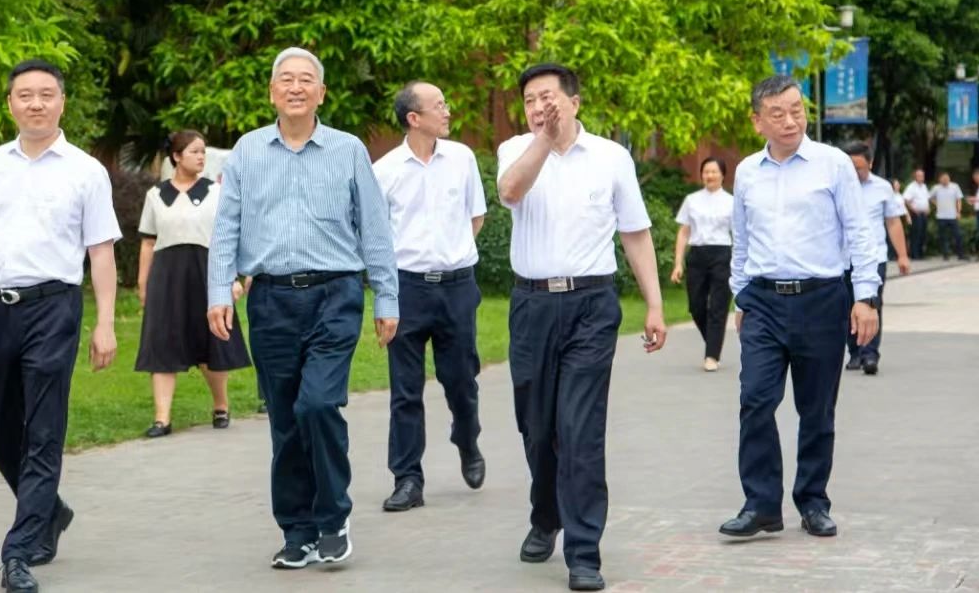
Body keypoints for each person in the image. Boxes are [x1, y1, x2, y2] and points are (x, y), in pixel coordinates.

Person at [0, 59, 121, 593]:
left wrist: (105, 322)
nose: (36, 103)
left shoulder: (86, 171)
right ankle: (49, 510)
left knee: (44, 430)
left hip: (54, 309)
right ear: (10, 104)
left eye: (46, 94)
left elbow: (101, 252)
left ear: (62, 102)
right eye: (25, 94)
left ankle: (19, 552)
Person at [205, 46, 399, 570]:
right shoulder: (247, 151)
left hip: (335, 295)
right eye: (286, 79)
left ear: (321, 92)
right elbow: (227, 226)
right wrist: (219, 290)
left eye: (306, 79)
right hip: (270, 300)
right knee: (285, 419)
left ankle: (333, 518)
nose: (296, 87)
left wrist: (386, 296)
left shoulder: (348, 150)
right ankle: (297, 530)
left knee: (317, 405)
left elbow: (374, 227)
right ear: (272, 92)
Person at [496, 63, 667, 593]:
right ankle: (545, 514)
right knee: (536, 427)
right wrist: (543, 141)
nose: (538, 107)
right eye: (529, 100)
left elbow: (635, 233)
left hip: (591, 306)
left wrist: (655, 305)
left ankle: (584, 549)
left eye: (547, 97)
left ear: (574, 102)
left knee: (580, 430)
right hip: (532, 306)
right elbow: (510, 191)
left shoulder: (612, 157)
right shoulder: (515, 149)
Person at [719, 74, 879, 543]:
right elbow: (741, 239)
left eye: (797, 110)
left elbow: (860, 233)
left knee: (817, 409)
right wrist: (740, 294)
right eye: (778, 113)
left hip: (822, 300)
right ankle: (760, 505)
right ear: (757, 121)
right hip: (763, 302)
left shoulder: (833, 164)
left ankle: (813, 502)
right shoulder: (747, 171)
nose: (790, 121)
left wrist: (865, 297)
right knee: (755, 399)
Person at [372, 81, 487, 513]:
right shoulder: (384, 171)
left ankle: (467, 439)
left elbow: (476, 217)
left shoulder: (462, 158)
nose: (448, 111)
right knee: (405, 390)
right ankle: (407, 479)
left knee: (461, 380)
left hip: (457, 287)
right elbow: (376, 235)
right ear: (413, 118)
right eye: (439, 105)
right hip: (406, 288)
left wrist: (452, 254)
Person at [135, 130, 251, 437]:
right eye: (194, 152)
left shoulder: (216, 192)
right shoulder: (156, 196)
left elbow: (229, 237)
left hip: (207, 271)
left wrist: (232, 278)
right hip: (167, 275)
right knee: (161, 343)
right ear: (176, 157)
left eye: (203, 152)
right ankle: (162, 419)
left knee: (212, 340)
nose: (201, 157)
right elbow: (148, 242)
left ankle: (221, 405)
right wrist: (143, 284)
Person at [841, 142, 910, 376]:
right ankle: (855, 353)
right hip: (843, 259)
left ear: (870, 163)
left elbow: (893, 222)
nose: (855, 172)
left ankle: (870, 354)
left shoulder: (882, 188)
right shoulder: (837, 186)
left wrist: (902, 255)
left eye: (859, 168)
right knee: (847, 306)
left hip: (874, 257)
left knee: (871, 303)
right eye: (850, 167)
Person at [670, 157, 734, 372]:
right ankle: (714, 342)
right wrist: (678, 263)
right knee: (696, 306)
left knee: (718, 306)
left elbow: (740, 234)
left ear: (723, 175)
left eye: (714, 171)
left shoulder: (732, 202)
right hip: (697, 255)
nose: (710, 175)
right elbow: (683, 232)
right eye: (706, 171)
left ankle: (711, 355)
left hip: (722, 254)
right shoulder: (692, 200)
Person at [929, 171, 966, 260]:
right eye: (944, 179)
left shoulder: (955, 186)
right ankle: (945, 255)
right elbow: (930, 197)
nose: (946, 180)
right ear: (940, 180)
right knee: (943, 237)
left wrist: (959, 212)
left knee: (958, 235)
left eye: (947, 178)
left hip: (953, 216)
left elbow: (959, 200)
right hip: (941, 216)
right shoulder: (936, 188)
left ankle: (960, 255)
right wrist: (936, 204)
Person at [901, 169, 931, 259]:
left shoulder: (924, 186)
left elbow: (926, 199)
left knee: (923, 234)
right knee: (916, 234)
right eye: (919, 176)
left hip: (924, 213)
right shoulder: (911, 187)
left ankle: (921, 253)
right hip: (916, 214)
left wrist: (928, 208)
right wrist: (913, 209)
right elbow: (906, 200)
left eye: (922, 176)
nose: (921, 177)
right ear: (915, 177)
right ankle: (914, 254)